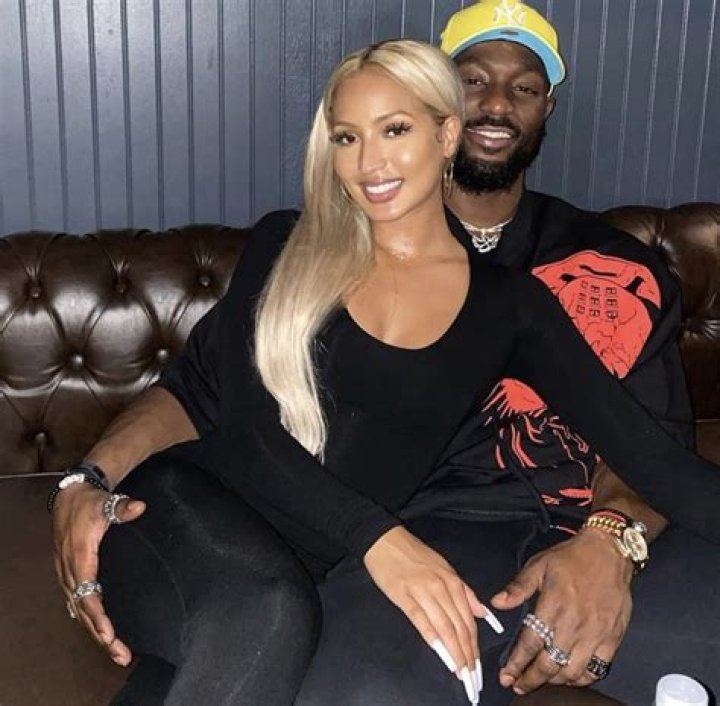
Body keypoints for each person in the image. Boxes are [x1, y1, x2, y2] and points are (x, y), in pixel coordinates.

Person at [51, 38, 720, 706]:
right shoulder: (286, 245)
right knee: (269, 615)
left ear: (446, 134)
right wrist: (383, 542)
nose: (369, 163)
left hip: (300, 570)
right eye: (347, 137)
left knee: (245, 646)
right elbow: (251, 432)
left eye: (394, 130)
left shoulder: (510, 307)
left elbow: (657, 462)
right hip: (180, 519)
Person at [298, 2, 720, 704]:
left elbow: (658, 445)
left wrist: (609, 542)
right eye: (473, 80)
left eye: (523, 87)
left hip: (604, 528)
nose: (497, 104)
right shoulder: (353, 253)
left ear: (546, 108)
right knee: (353, 691)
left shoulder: (614, 265)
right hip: (433, 539)